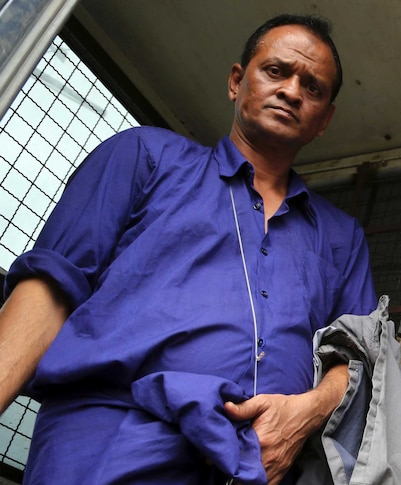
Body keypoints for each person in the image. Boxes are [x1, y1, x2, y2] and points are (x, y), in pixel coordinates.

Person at [0, 13, 378, 485]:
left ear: (325, 119)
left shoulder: (342, 237)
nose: (292, 91)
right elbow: (49, 288)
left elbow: (361, 358)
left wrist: (307, 411)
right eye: (276, 71)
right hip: (108, 445)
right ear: (237, 82)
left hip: (261, 468)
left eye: (313, 87)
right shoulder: (145, 157)